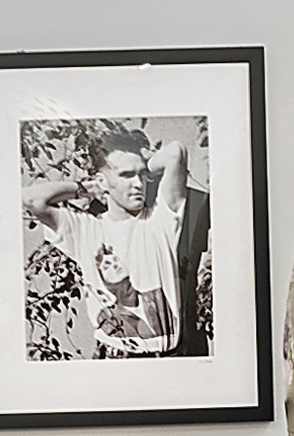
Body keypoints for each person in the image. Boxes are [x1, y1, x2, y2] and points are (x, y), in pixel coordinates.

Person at [21, 122, 212, 358]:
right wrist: (87, 188)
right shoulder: (85, 229)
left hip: (171, 358)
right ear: (102, 181)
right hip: (116, 359)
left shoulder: (159, 221)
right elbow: (32, 199)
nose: (138, 184)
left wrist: (139, 169)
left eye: (141, 176)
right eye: (126, 175)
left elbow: (176, 152)